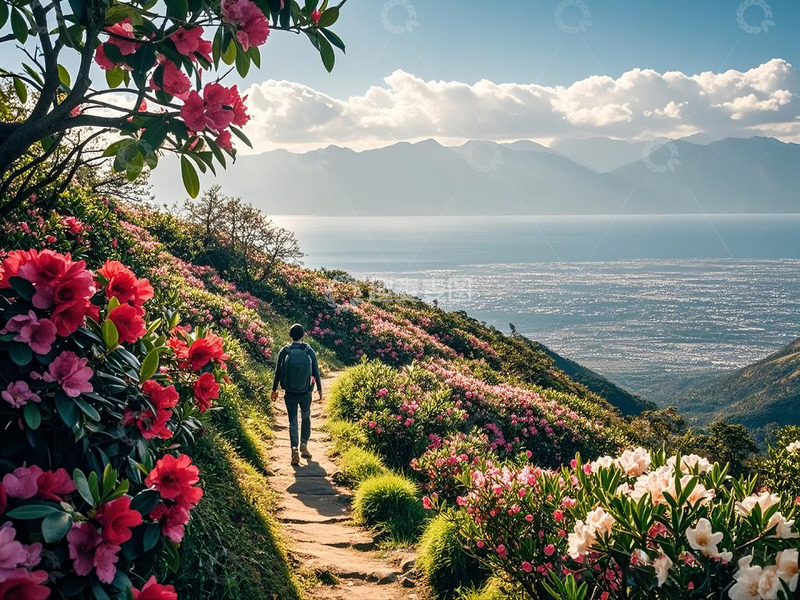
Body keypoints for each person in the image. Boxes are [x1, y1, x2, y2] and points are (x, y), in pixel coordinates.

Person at [271, 323, 322, 466]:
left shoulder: (285, 351)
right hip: (306, 392)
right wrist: (319, 389)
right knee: (306, 417)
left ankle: (294, 449)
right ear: (303, 335)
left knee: (292, 420)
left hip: (290, 393)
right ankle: (304, 444)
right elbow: (316, 372)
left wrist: (274, 390)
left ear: (290, 335)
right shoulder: (308, 350)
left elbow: (278, 372)